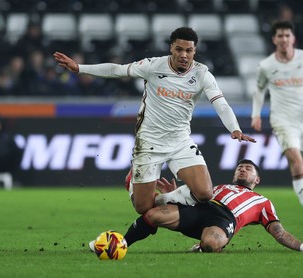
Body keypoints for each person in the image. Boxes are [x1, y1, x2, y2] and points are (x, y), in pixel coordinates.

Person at [54, 27, 256, 215]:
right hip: (149, 142)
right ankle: (132, 182)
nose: (184, 55)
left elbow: (220, 103)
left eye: (189, 50)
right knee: (142, 208)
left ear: (194, 51)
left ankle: (166, 197)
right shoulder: (152, 66)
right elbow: (117, 69)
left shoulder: (202, 73)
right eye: (179, 49)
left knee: (204, 193)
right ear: (171, 48)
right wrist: (79, 68)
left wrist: (234, 128)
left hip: (180, 141)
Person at [90, 159, 303, 253]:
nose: (243, 169)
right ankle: (120, 244)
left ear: (256, 180)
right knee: (152, 214)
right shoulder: (216, 188)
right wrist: (172, 194)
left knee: (210, 244)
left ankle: (202, 246)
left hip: (223, 220)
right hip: (201, 208)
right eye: (240, 167)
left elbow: (278, 232)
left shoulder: (263, 202)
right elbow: (193, 196)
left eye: (248, 169)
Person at [250, 21, 303, 225]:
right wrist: (256, 114)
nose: (284, 39)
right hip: (282, 121)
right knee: (296, 165)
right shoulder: (267, 65)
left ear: (293, 38)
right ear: (274, 39)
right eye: (280, 36)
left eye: (287, 35)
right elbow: (259, 90)